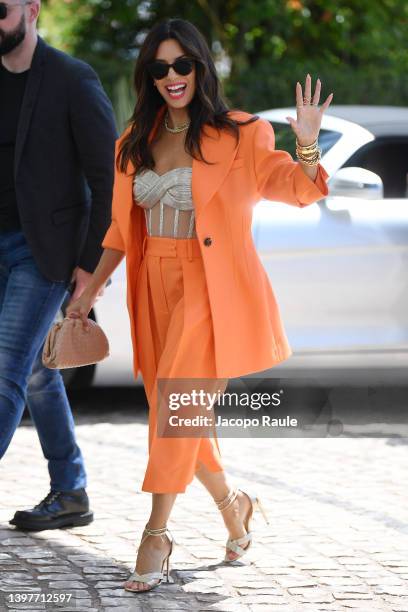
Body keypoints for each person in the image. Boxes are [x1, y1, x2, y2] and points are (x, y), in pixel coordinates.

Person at [67, 18, 333, 593]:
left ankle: (155, 535)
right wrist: (87, 295)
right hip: (151, 286)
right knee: (186, 416)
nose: (171, 76)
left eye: (181, 64)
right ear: (149, 76)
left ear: (200, 67)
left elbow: (298, 187)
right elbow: (118, 231)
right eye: (159, 67)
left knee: (175, 410)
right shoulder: (133, 140)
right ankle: (234, 505)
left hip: (211, 290)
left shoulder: (242, 134)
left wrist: (306, 141)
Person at [0, 0, 117, 530]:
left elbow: (107, 179)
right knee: (36, 372)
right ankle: (71, 492)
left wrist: (91, 269)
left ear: (31, 9)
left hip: (41, 252)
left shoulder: (72, 78)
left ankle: (71, 490)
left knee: (5, 371)